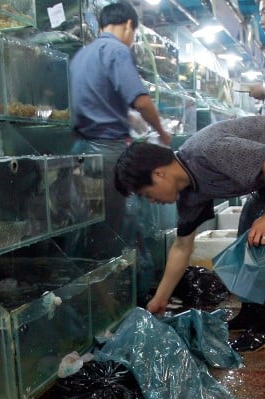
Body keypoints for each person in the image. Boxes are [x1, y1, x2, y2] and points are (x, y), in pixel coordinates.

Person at [113, 114, 265, 352]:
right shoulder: (190, 194)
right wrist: (161, 298)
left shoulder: (206, 151)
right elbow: (182, 246)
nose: (151, 201)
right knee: (249, 223)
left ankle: (262, 329)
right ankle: (249, 314)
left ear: (158, 173)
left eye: (146, 193)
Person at [68, 2, 172, 235]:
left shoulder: (81, 55)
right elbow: (142, 101)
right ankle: (121, 267)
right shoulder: (117, 51)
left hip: (80, 151)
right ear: (128, 25)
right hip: (108, 152)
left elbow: (95, 99)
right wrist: (161, 132)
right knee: (117, 223)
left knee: (88, 221)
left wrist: (128, 118)